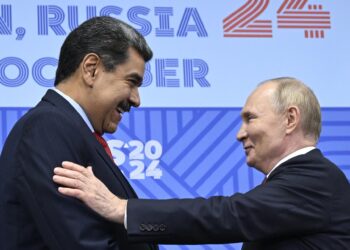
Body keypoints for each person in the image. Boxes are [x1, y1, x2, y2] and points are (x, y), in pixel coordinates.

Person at [52, 77, 350, 249]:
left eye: (250, 118)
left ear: (290, 119)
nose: (240, 133)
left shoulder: (315, 180)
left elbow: (228, 215)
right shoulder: (301, 181)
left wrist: (121, 209)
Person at [0, 16, 158, 250]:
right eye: (131, 82)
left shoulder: (68, 129)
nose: (136, 100)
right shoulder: (47, 127)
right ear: (91, 69)